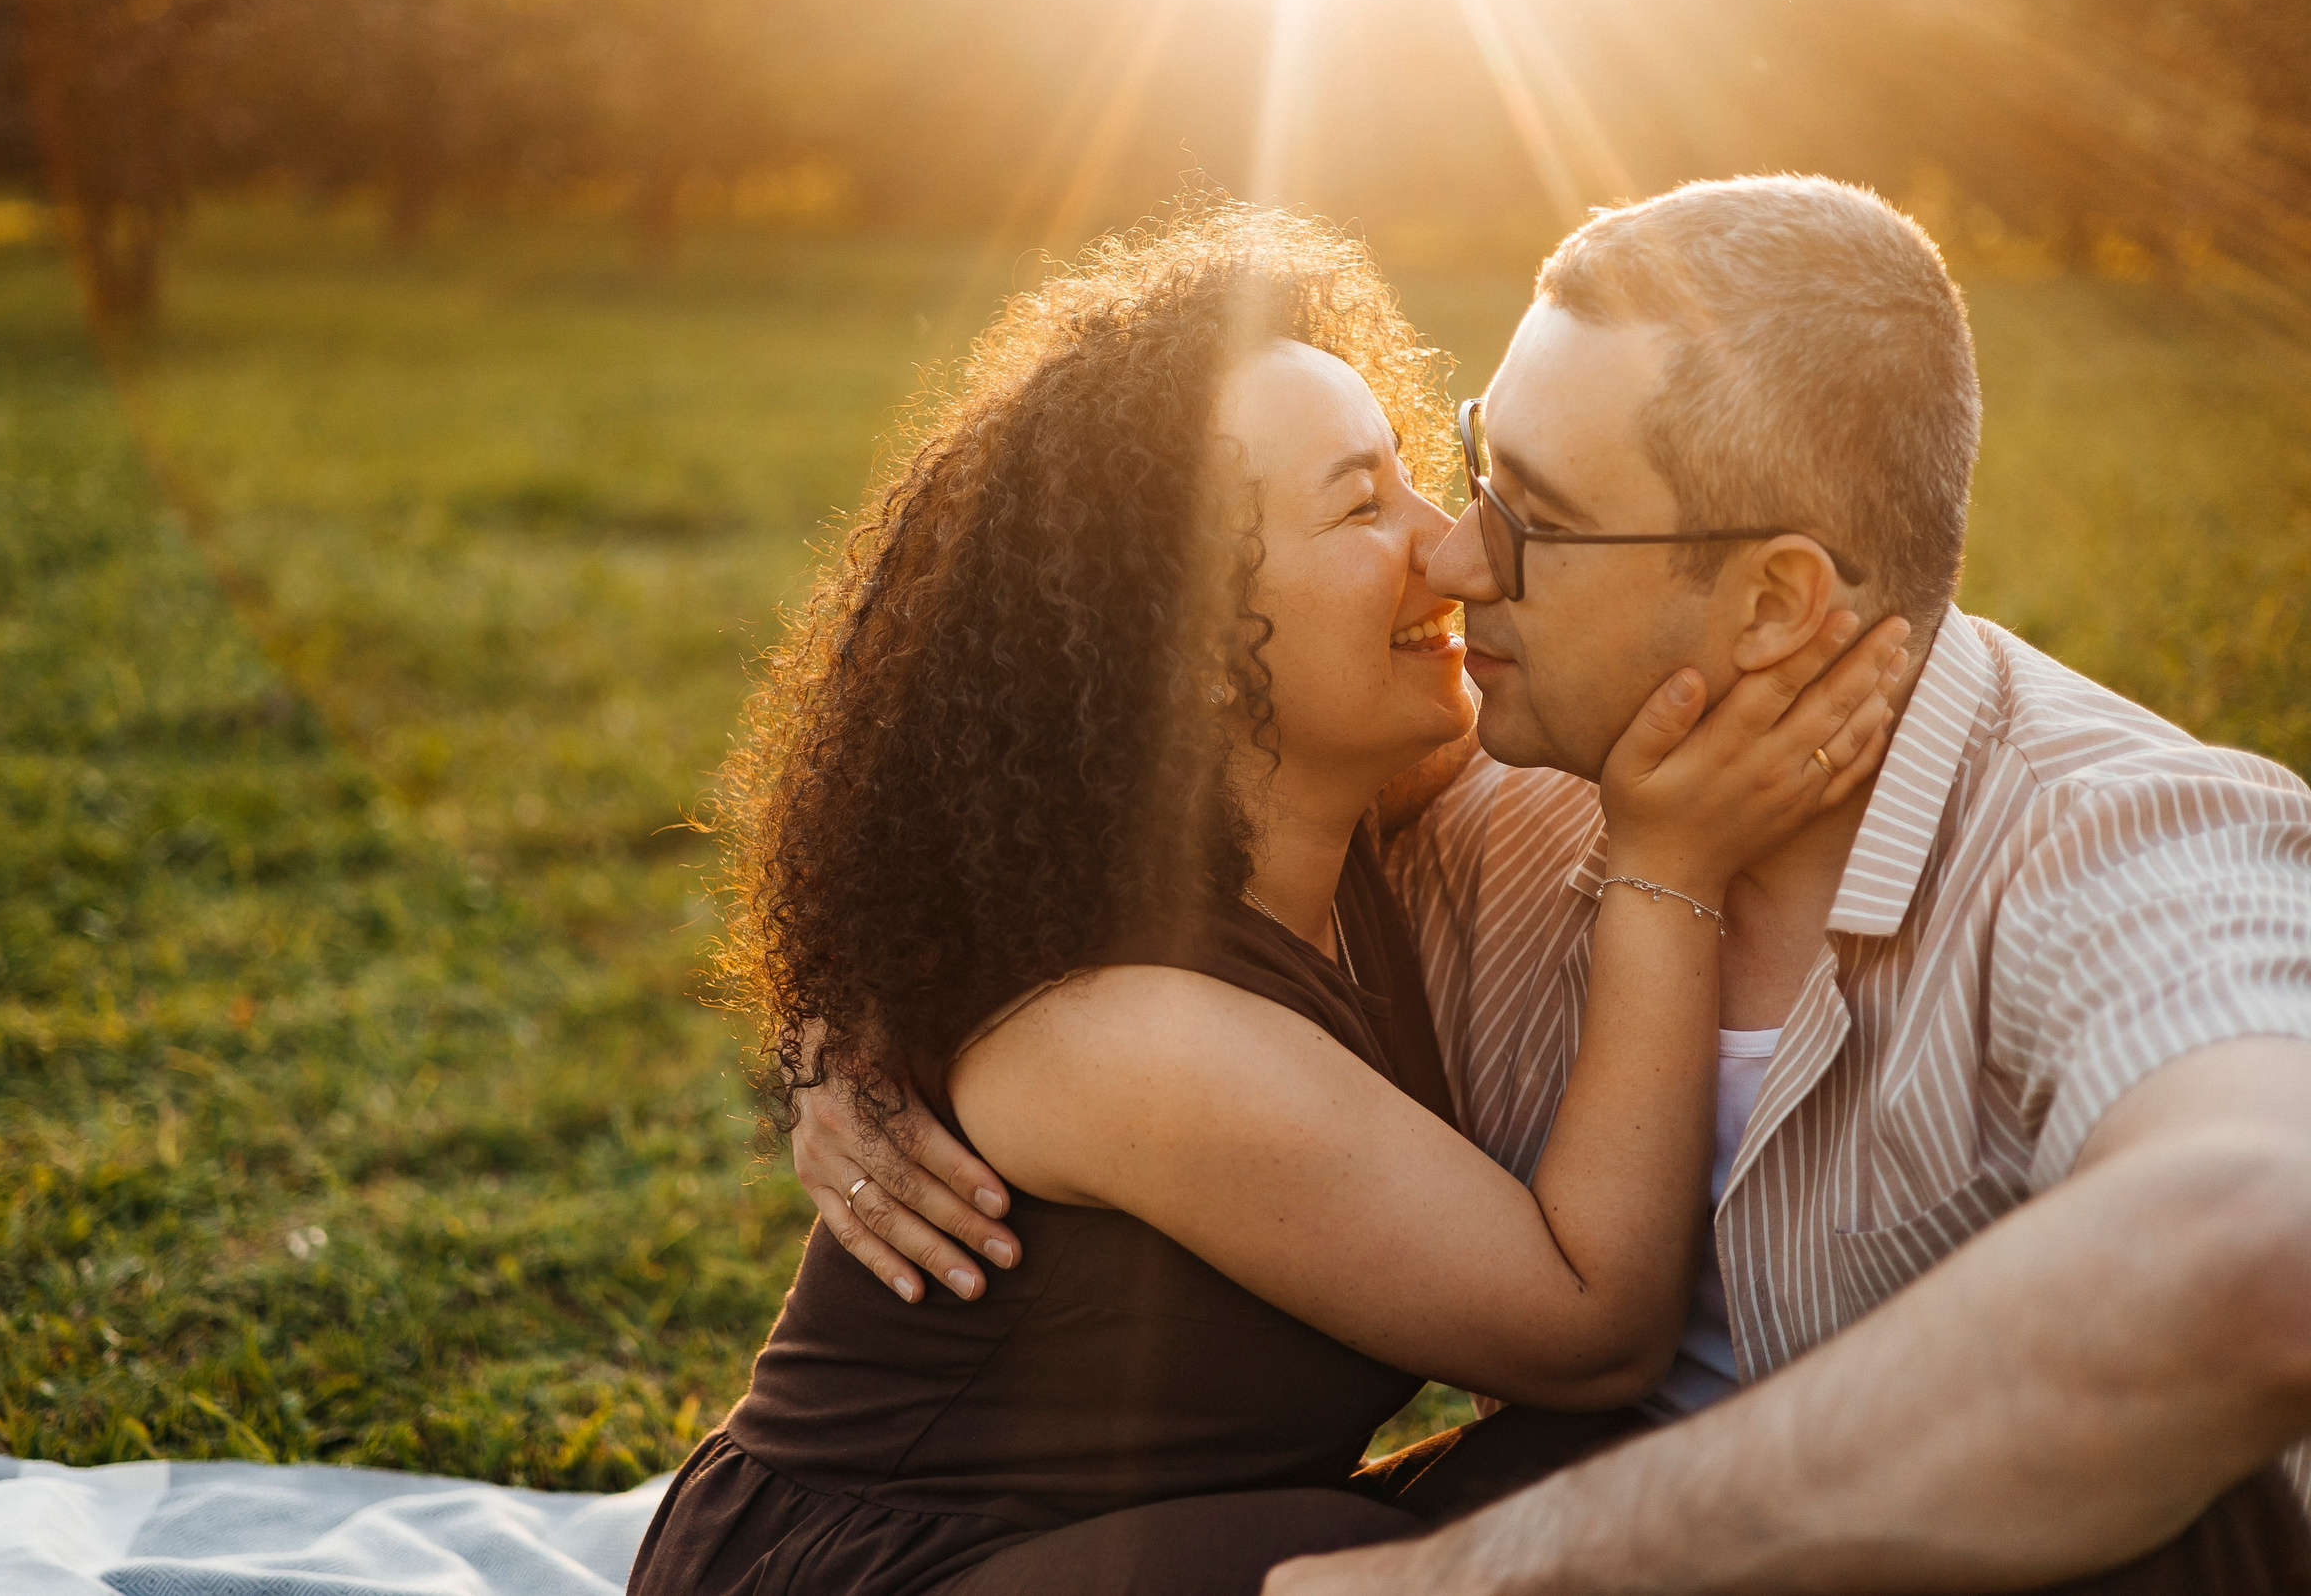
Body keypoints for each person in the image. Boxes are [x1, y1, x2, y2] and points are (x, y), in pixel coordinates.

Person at [807, 177, 2311, 1594]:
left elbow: (2262, 1245)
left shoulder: (2115, 846)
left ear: (1777, 601)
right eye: (1469, 468)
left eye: (1531, 513)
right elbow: (1040, 787)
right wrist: (870, 1029)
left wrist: (1479, 1579)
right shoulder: (1457, 800)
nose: (1458, 554)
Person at [628, 203, 1903, 1596]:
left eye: (1416, 473)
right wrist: (1668, 871)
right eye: (1363, 506)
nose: (1450, 543)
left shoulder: (1337, 820)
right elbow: (1587, 1328)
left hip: (1105, 1545)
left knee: (1613, 1494)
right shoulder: (1129, 1037)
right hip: (878, 1574)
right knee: (1430, 1557)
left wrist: (841, 1026)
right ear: (1187, 649)